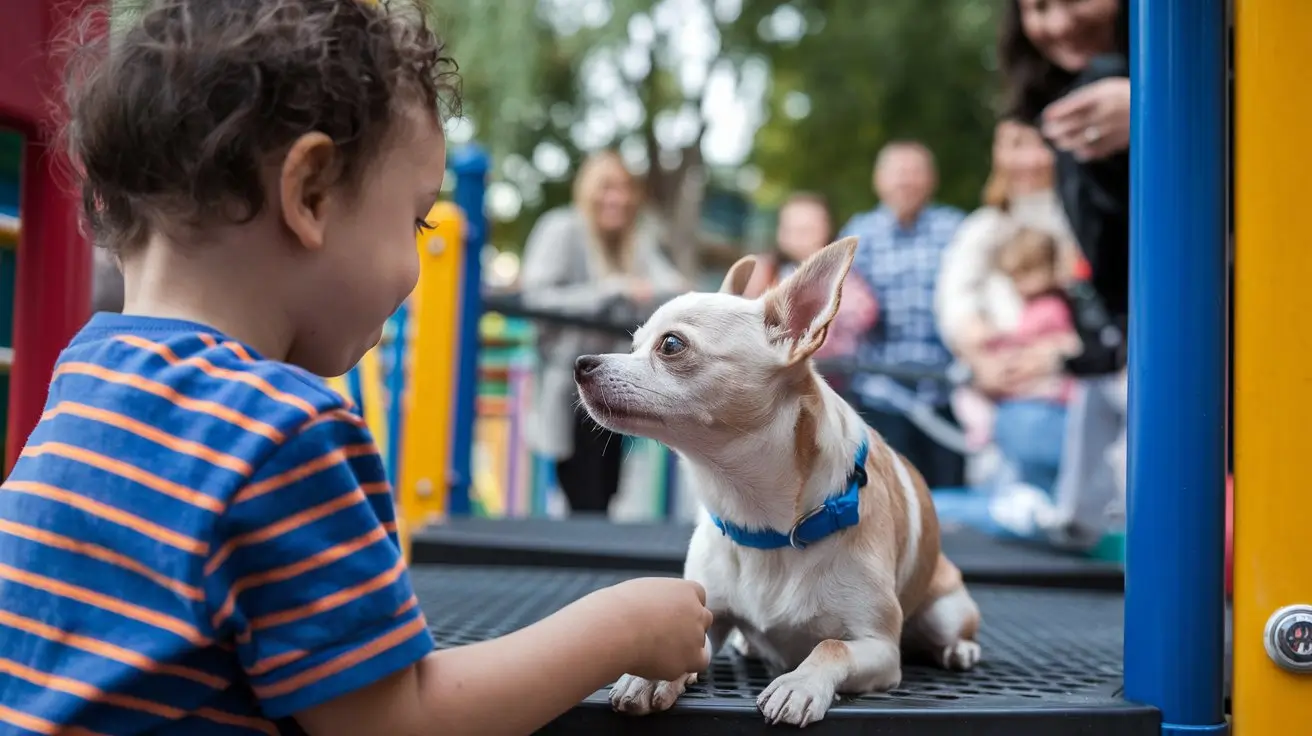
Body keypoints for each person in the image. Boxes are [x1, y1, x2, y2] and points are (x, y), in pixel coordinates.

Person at [0, 3, 712, 735]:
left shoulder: (84, 378)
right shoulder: (279, 432)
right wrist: (617, 628)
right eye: (414, 220)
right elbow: (398, 724)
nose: (413, 265)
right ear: (309, 193)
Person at [997, 0, 1130, 546]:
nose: (1057, 23)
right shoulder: (1065, 105)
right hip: (1120, 352)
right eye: (1037, 7)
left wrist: (1159, 104)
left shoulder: (1196, 80)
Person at [520, 151, 686, 514]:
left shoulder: (634, 240)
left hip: (616, 382)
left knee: (607, 490)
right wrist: (612, 289)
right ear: (588, 190)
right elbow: (535, 298)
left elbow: (672, 286)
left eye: (625, 189)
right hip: (570, 384)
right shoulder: (563, 228)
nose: (618, 198)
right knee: (582, 490)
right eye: (608, 188)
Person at [935, 119, 1079, 473]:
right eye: (1015, 145)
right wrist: (984, 362)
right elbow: (956, 302)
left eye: (1038, 145)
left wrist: (1059, 353)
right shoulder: (981, 229)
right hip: (1000, 393)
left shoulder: (1082, 222)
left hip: (1071, 389)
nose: (1028, 160)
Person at [840, 140, 966, 488]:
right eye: (898, 173)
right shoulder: (859, 232)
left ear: (932, 179)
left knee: (947, 501)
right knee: (886, 495)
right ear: (879, 180)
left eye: (915, 173)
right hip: (881, 390)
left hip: (946, 390)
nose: (906, 182)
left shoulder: (956, 228)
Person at [742, 192, 877, 394]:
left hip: (827, 380)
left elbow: (866, 312)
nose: (799, 237)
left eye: (808, 230)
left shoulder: (842, 276)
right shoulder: (767, 271)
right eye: (791, 229)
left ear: (826, 229)